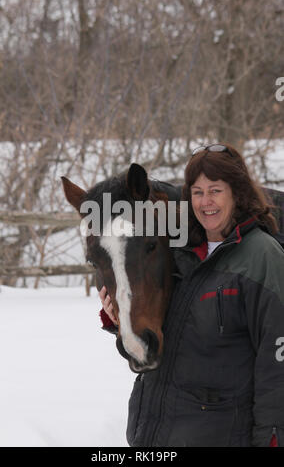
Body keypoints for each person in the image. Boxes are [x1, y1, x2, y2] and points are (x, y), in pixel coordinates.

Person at [99, 144, 284, 447]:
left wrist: (273, 438)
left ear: (237, 193)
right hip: (153, 435)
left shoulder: (262, 257)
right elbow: (154, 351)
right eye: (197, 192)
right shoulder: (177, 251)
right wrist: (121, 321)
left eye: (215, 190)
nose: (205, 202)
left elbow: (277, 369)